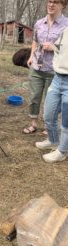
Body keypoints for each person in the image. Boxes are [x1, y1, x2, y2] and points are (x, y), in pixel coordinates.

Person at [23, 0, 68, 134]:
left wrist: (54, 47)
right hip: (37, 67)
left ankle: (50, 126)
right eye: (49, 1)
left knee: (51, 101)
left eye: (55, 2)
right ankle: (34, 123)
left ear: (63, 5)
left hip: (54, 70)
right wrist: (31, 56)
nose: (51, 4)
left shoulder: (66, 26)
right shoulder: (39, 23)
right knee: (34, 97)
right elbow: (35, 41)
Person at [35, 24, 68, 163]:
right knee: (49, 114)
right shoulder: (66, 30)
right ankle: (53, 140)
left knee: (66, 122)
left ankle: (62, 151)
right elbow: (60, 48)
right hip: (57, 77)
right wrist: (53, 48)